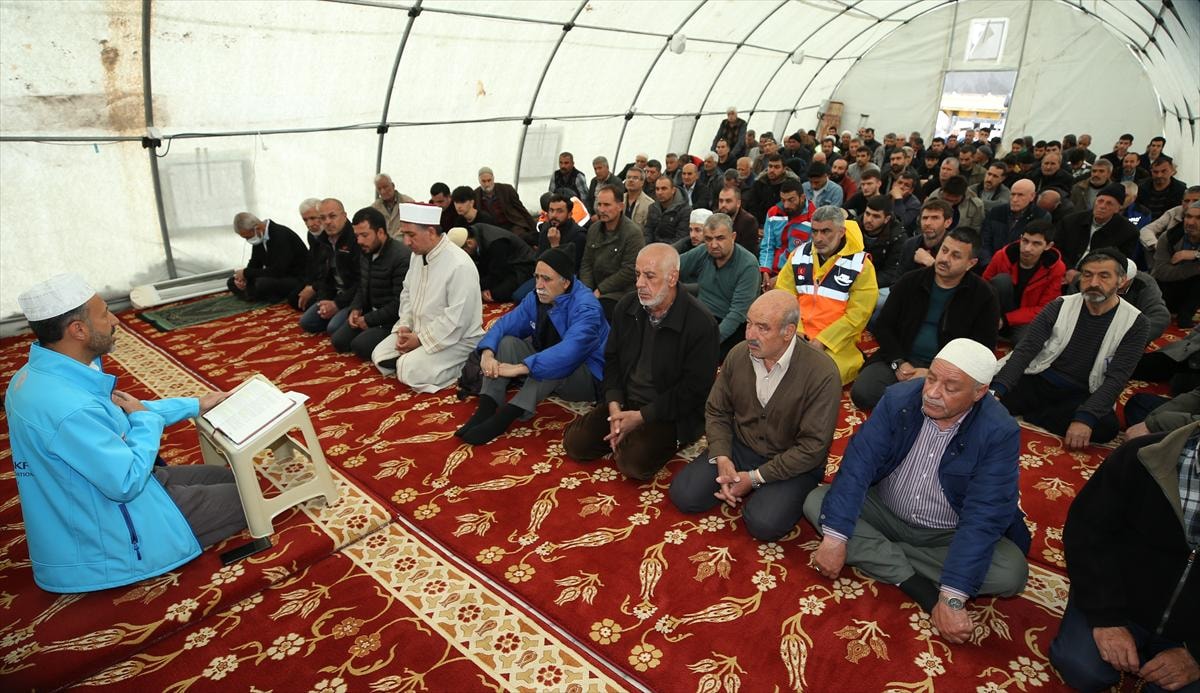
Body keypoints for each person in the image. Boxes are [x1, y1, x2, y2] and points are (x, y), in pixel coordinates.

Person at [6, 274, 246, 592]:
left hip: (95, 497)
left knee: (231, 477)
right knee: (251, 496)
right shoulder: (67, 406)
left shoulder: (40, 375)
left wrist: (196, 404)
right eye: (105, 314)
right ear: (78, 330)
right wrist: (147, 423)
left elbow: (122, 415)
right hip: (113, 532)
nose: (115, 320)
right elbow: (126, 482)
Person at [805, 339, 1030, 635]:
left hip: (946, 534)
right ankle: (914, 579)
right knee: (816, 501)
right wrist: (835, 540)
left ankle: (880, 553)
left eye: (950, 388)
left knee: (1011, 572)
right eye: (931, 378)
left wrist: (952, 597)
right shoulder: (898, 399)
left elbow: (984, 514)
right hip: (883, 510)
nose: (933, 393)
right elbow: (858, 465)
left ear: (979, 392)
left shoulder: (999, 431)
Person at [668, 290, 841, 540]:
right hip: (742, 446)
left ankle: (763, 489)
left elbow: (812, 447)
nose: (750, 335)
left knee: (763, 523)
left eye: (763, 328)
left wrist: (755, 478)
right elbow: (717, 409)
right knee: (684, 494)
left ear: (788, 332)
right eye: (749, 324)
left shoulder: (822, 373)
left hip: (793, 461)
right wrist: (722, 456)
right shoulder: (739, 354)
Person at [1049, 422, 1200, 693]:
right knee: (1083, 668)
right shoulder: (1143, 455)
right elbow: (1086, 534)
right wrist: (1107, 619)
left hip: (1192, 630)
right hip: (1121, 603)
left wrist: (1195, 655)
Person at [563, 244, 718, 481]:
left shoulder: (701, 323)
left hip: (670, 411)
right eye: (637, 274)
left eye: (649, 276)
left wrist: (642, 416)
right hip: (627, 399)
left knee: (632, 462)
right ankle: (624, 428)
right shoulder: (627, 306)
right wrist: (614, 404)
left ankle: (665, 438)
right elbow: (612, 359)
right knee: (576, 443)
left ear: (672, 278)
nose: (639, 283)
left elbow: (694, 390)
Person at [992, 249, 1151, 448]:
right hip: (1041, 378)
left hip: (1083, 392)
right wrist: (997, 390)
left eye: (1104, 276)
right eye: (1087, 275)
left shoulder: (1136, 323)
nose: (1093, 283)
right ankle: (1046, 414)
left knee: (1105, 427)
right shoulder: (1060, 305)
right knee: (983, 394)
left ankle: (1037, 414)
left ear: (1121, 281)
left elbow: (1117, 378)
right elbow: (1026, 351)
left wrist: (1085, 417)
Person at [456, 248, 609, 446]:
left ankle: (506, 416)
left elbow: (570, 351)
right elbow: (504, 324)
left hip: (587, 376)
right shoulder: (536, 297)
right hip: (549, 361)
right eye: (536, 277)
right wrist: (487, 353)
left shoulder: (587, 307)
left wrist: (521, 368)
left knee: (555, 363)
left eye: (546, 279)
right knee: (507, 342)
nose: (538, 285)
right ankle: (487, 406)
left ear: (565, 283)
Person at [851, 228, 998, 410]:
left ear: (970, 263)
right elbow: (884, 326)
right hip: (901, 359)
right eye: (944, 250)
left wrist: (933, 374)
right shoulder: (911, 281)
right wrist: (899, 363)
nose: (945, 259)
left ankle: (911, 400)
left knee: (952, 402)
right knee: (863, 393)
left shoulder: (984, 295)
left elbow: (983, 348)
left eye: (955, 256)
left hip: (948, 372)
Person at [372, 203, 484, 392]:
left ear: (431, 232)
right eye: (404, 234)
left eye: (411, 235)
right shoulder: (417, 255)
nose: (406, 242)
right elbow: (407, 293)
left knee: (408, 369)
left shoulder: (459, 265)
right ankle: (416, 358)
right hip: (419, 330)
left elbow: (458, 320)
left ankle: (466, 363)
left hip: (459, 339)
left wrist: (420, 339)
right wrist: (405, 326)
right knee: (379, 355)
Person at [774, 205, 878, 384]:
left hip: (837, 342)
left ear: (841, 232)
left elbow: (859, 314)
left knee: (817, 378)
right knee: (764, 362)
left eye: (826, 231)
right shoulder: (798, 255)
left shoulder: (861, 265)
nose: (818, 238)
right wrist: (797, 331)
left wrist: (823, 340)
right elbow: (783, 295)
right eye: (814, 231)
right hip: (795, 332)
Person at [331, 207, 410, 362]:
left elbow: (400, 303)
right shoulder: (366, 250)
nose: (359, 241)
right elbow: (362, 285)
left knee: (360, 346)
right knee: (338, 341)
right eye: (357, 236)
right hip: (370, 312)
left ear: (380, 232)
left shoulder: (401, 257)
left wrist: (369, 320)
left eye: (364, 235)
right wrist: (356, 308)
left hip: (391, 320)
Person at [678, 213, 760, 358]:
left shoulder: (748, 265)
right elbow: (673, 267)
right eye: (708, 239)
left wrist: (709, 340)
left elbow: (737, 314)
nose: (713, 245)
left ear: (733, 237)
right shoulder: (703, 252)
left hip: (732, 328)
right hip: (701, 317)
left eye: (720, 238)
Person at [982, 220, 1065, 344]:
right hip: (996, 309)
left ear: (1048, 246)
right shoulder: (1002, 256)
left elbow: (1045, 308)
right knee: (1002, 281)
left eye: (1036, 244)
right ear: (1020, 238)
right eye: (1025, 241)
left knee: (1025, 341)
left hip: (1026, 317)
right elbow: (984, 284)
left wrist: (1006, 319)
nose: (1027, 248)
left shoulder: (1056, 268)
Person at [580, 184, 645, 320]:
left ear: (620, 206)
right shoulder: (594, 229)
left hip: (621, 291)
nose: (602, 210)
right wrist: (586, 290)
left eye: (607, 205)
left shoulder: (633, 233)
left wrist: (600, 290)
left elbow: (629, 270)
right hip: (595, 288)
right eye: (599, 204)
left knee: (598, 310)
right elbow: (586, 263)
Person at [299, 198, 361, 336]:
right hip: (335, 293)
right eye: (322, 218)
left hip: (354, 297)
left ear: (344, 216)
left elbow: (361, 282)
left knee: (333, 328)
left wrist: (337, 304)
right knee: (306, 322)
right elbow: (324, 275)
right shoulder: (323, 240)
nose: (327, 222)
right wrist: (324, 300)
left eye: (332, 216)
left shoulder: (356, 239)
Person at [1056, 184, 1139, 280]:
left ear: (1118, 209)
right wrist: (1068, 269)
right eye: (1100, 201)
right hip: (1063, 271)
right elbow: (1057, 249)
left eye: (1109, 203)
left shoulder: (1128, 232)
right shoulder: (1070, 221)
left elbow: (1120, 263)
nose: (1102, 206)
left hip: (1099, 277)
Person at [228, 212, 308, 302]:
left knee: (262, 283)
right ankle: (255, 294)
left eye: (247, 237)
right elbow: (255, 263)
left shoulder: (280, 235)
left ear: (257, 228)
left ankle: (253, 294)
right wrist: (243, 278)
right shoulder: (259, 237)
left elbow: (278, 271)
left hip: (294, 277)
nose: (248, 240)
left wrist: (246, 273)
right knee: (232, 281)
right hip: (275, 275)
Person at [458, 222, 536, 303]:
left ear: (469, 243)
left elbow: (498, 273)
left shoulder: (496, 243)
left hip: (522, 266)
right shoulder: (476, 232)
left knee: (496, 294)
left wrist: (478, 288)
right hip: (504, 265)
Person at [758, 179, 815, 290]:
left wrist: (781, 278)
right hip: (772, 271)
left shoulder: (814, 218)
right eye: (783, 200)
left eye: (791, 200)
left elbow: (808, 256)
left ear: (802, 197)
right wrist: (765, 271)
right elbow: (767, 246)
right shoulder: (773, 213)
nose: (786, 205)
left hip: (798, 273)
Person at [1151, 201, 1200, 327]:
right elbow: (1161, 272)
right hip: (1170, 289)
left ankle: (1186, 317)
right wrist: (1197, 267)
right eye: (1188, 216)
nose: (1191, 222)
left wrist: (1196, 254)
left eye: (1198, 218)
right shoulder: (1169, 237)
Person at [980, 179, 1048, 268]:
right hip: (990, 264)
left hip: (1018, 268)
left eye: (1020, 195)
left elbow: (1034, 249)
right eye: (1012, 194)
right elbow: (984, 241)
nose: (1015, 199)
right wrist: (989, 264)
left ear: (1032, 196)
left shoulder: (1041, 217)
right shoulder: (996, 212)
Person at [475, 167, 537, 245]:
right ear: (479, 181)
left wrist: (534, 227)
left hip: (512, 224)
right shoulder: (475, 195)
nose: (487, 184)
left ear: (493, 179)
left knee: (519, 238)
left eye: (489, 180)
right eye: (483, 181)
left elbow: (521, 209)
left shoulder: (507, 190)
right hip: (493, 229)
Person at [645, 175, 691, 244]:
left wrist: (659, 246)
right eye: (657, 189)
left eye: (664, 189)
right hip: (653, 247)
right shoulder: (653, 207)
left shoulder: (685, 210)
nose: (660, 192)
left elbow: (681, 239)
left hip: (674, 248)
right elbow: (648, 231)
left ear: (673, 190)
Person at [716, 185, 760, 256]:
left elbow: (748, 252)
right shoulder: (714, 217)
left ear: (738, 203)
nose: (723, 205)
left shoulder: (749, 222)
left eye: (728, 201)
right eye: (721, 201)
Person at [371, 173, 416, 238]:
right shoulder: (375, 207)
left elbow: (412, 226)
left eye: (385, 187)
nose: (383, 191)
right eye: (379, 189)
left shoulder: (408, 202)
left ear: (393, 185)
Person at [623, 166, 655, 230]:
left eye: (635, 178)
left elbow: (648, 230)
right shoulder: (618, 199)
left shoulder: (649, 204)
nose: (631, 180)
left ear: (642, 182)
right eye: (628, 177)